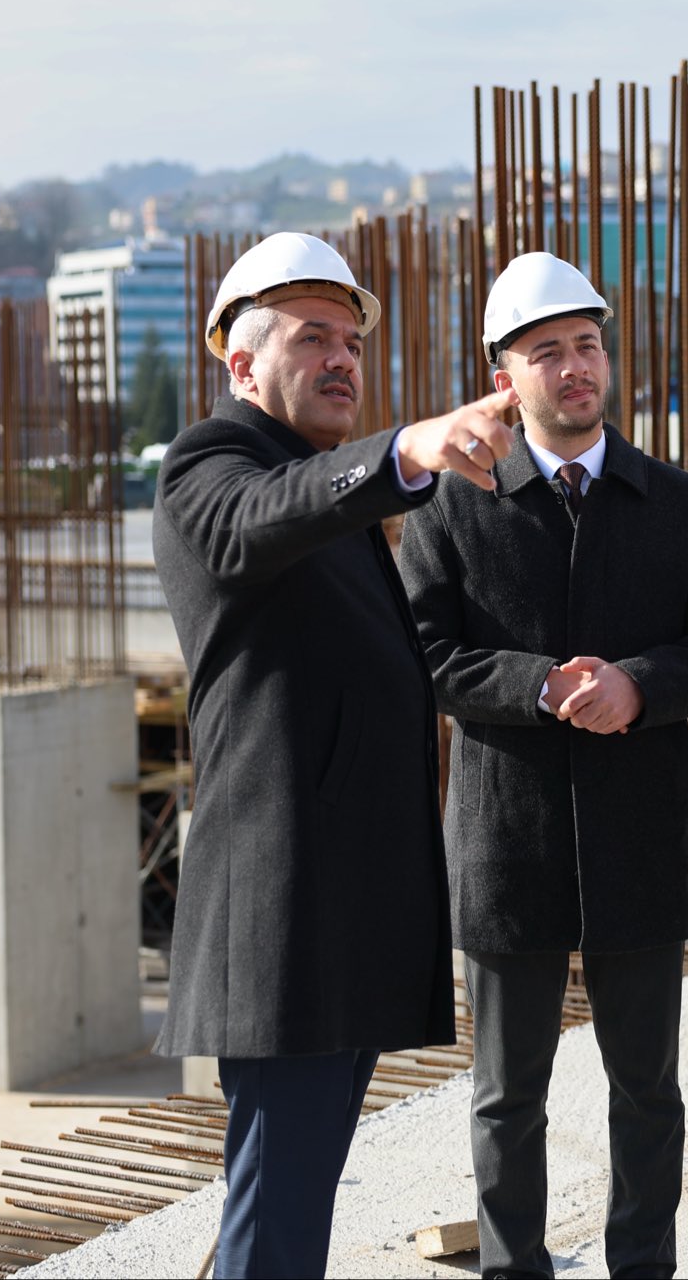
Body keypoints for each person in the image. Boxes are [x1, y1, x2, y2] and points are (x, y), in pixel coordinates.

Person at [151, 232, 519, 1279]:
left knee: (281, 1198)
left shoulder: (325, 491)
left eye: (352, 340)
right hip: (285, 912)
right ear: (240, 364)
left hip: (336, 906)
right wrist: (403, 451)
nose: (343, 359)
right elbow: (253, 522)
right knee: (278, 1206)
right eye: (313, 337)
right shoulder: (212, 466)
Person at [400, 252, 688, 1280]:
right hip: (507, 845)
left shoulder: (678, 504)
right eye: (546, 351)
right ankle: (515, 1268)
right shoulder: (447, 508)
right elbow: (423, 659)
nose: (573, 369)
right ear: (501, 375)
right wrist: (539, 684)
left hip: (637, 839)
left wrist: (638, 683)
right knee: (507, 1094)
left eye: (587, 346)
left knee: (647, 1089)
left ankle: (641, 1266)